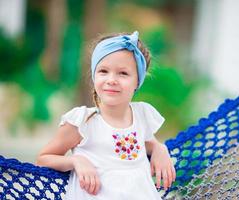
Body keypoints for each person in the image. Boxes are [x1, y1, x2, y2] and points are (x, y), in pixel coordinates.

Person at [36, 31, 176, 200]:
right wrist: (76, 161)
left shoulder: (141, 115)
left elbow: (145, 143)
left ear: (137, 81)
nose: (111, 80)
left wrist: (160, 148)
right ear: (94, 76)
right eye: (103, 71)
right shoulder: (83, 122)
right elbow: (43, 158)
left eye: (123, 73)